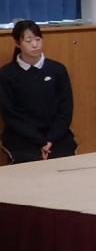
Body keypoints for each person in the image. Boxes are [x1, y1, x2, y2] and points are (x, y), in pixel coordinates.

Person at [0, 20, 77, 163]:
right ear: (17, 43)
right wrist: (39, 141)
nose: (35, 45)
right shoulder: (6, 74)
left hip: (56, 136)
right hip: (22, 137)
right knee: (30, 162)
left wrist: (50, 139)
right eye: (28, 41)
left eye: (38, 39)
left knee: (63, 159)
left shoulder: (58, 70)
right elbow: (10, 115)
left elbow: (65, 109)